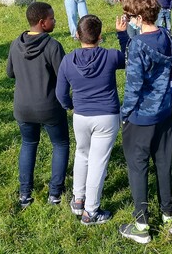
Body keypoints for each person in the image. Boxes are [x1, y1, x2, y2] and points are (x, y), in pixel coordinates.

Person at [55, 14, 128, 225]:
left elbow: (61, 94)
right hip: (107, 115)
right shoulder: (111, 56)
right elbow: (130, 57)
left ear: (77, 35)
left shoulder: (67, 60)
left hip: (81, 116)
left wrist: (71, 106)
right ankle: (91, 212)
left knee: (82, 154)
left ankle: (78, 200)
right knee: (98, 162)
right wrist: (122, 34)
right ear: (100, 37)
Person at [118, 0, 172, 244]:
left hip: (141, 116)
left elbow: (133, 86)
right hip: (164, 111)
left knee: (138, 167)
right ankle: (168, 215)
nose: (128, 20)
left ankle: (141, 225)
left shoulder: (138, 45)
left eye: (130, 16)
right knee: (163, 164)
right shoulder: (166, 35)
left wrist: (124, 114)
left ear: (140, 18)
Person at [7, 2, 68, 209]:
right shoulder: (53, 46)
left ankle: (25, 194)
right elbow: (64, 77)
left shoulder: (16, 43)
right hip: (49, 107)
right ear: (42, 22)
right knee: (60, 145)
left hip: (23, 107)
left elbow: (10, 73)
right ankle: (55, 193)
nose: (55, 20)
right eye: (52, 18)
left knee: (28, 144)